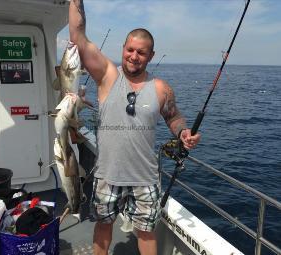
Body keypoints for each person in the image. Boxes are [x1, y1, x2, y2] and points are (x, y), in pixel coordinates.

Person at [69, 1, 201, 255]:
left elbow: (173, 117)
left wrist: (183, 133)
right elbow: (78, 37)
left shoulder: (161, 88)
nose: (134, 56)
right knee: (103, 228)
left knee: (147, 232)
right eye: (130, 49)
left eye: (141, 52)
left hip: (145, 177)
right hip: (107, 173)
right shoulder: (107, 75)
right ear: (123, 48)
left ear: (151, 55)